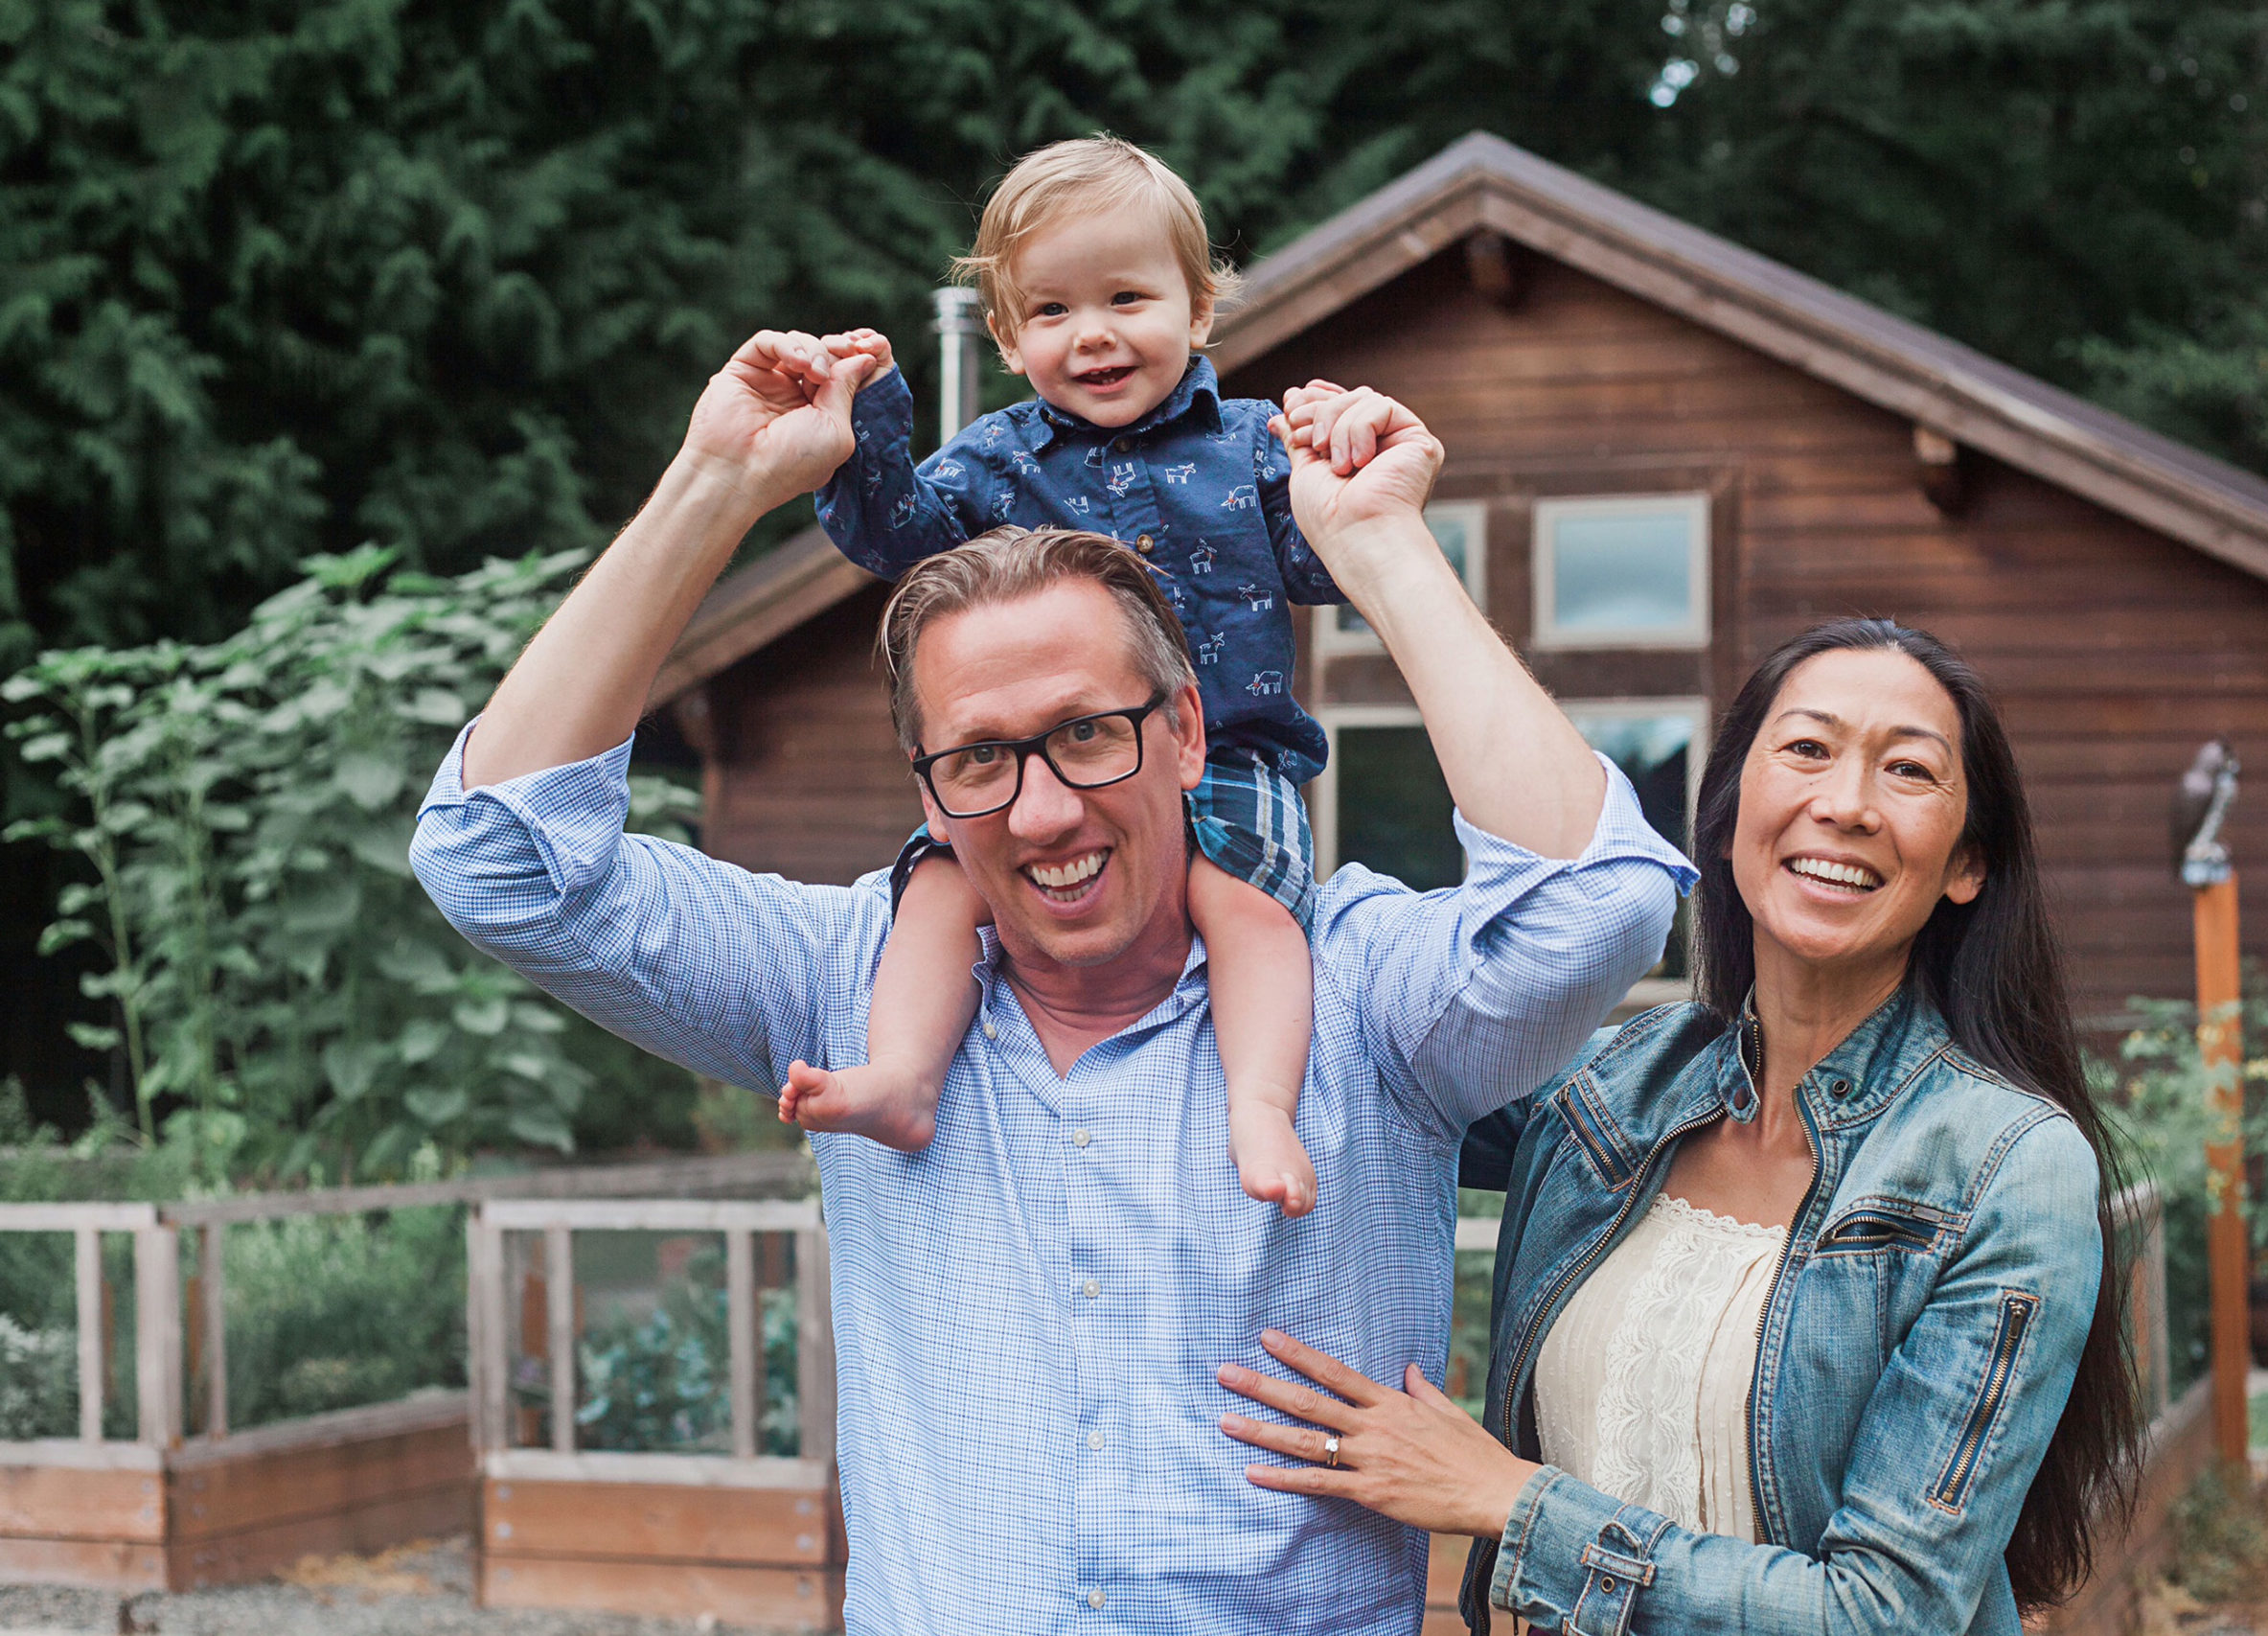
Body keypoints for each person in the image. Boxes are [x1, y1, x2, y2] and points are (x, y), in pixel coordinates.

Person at [408, 326, 1695, 1630]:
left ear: (1187, 729)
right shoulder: (845, 981)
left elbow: (1597, 900)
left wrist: (1382, 551)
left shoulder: (1355, 993)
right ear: (926, 788)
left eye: (1087, 733)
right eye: (979, 759)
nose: (1041, 814)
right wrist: (715, 482)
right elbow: (498, 860)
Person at [1215, 619, 2141, 1635]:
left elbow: (1888, 1613)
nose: (1844, 805)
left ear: (1965, 863)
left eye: (1907, 771)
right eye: (1806, 749)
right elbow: (1371, 1044)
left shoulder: (2006, 1168)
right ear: (1733, 804)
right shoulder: (1612, 1087)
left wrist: (1507, 1502)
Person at [807, 135, 1345, 1216]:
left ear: (1196, 310)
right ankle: (906, 1074)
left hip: (1228, 759)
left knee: (1246, 911)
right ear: (1005, 338)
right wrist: (864, 414)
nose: (1092, 334)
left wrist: (1346, 457)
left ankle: (1259, 1104)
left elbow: (1330, 561)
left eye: (1126, 299)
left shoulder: (1253, 447)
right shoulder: (992, 460)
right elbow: (892, 538)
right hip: (1051, 762)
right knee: (937, 884)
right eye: (1050, 313)